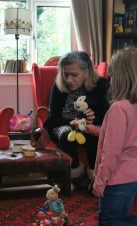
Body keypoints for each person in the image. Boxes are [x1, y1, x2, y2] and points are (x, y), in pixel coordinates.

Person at [44, 51, 110, 184]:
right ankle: (72, 173)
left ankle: (94, 174)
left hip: (90, 126)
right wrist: (74, 123)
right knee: (66, 135)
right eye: (65, 74)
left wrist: (88, 122)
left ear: (87, 72)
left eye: (74, 75)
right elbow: (54, 118)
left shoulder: (101, 85)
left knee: (93, 135)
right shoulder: (58, 86)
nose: (68, 79)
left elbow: (106, 117)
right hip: (62, 125)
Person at [93, 47, 137, 226]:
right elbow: (119, 137)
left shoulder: (119, 108)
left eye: (112, 71)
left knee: (108, 223)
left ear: (121, 76)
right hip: (132, 177)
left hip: (116, 179)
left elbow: (111, 152)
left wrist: (100, 182)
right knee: (120, 217)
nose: (109, 75)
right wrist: (88, 129)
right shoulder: (132, 106)